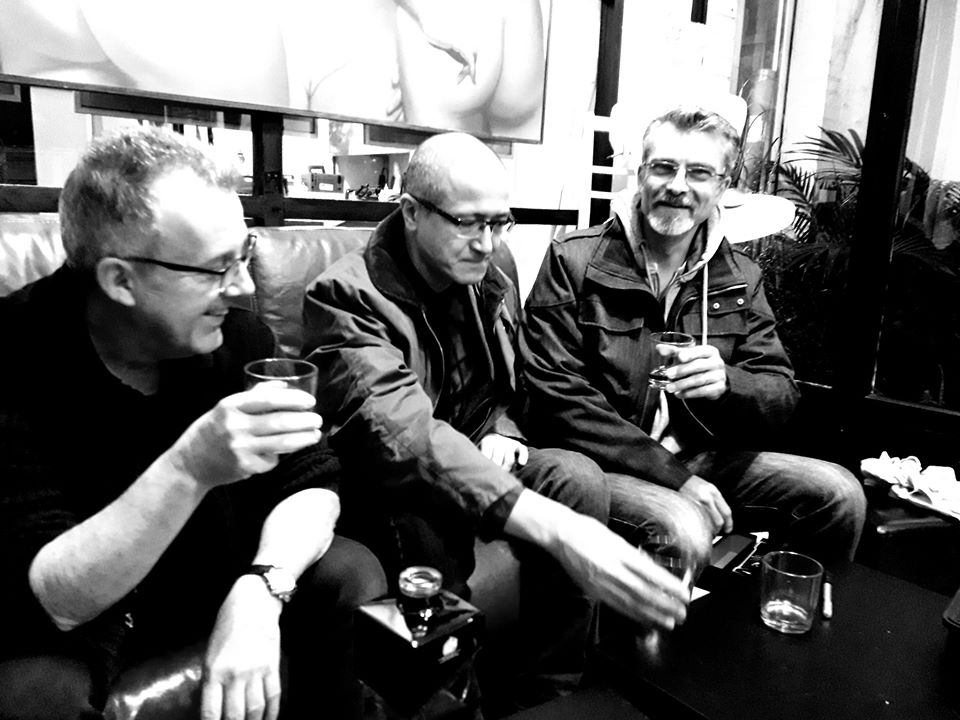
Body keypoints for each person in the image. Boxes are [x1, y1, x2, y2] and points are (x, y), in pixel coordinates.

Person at [0, 127, 386, 720]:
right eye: (216, 269)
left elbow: (312, 480)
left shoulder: (237, 337)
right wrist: (190, 466)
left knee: (351, 571)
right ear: (120, 280)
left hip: (218, 564)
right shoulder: (15, 355)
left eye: (244, 255)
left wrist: (263, 586)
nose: (245, 287)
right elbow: (57, 598)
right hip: (91, 607)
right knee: (35, 693)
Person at [302, 132, 690, 708]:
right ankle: (458, 702)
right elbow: (400, 433)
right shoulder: (345, 294)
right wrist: (556, 528)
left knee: (577, 478)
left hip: (478, 453)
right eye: (468, 223)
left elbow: (515, 386)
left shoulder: (488, 282)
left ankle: (551, 690)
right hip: (393, 481)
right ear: (412, 212)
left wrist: (502, 429)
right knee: (425, 523)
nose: (487, 243)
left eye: (499, 223)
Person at [520, 107, 867, 565]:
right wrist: (675, 478)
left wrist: (728, 383)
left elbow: (781, 394)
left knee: (840, 494)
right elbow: (556, 395)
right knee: (682, 527)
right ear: (641, 176)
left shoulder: (739, 276)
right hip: (604, 463)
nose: (678, 186)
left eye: (699, 173)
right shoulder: (574, 261)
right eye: (664, 168)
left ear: (722, 187)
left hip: (700, 458)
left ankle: (780, 603)